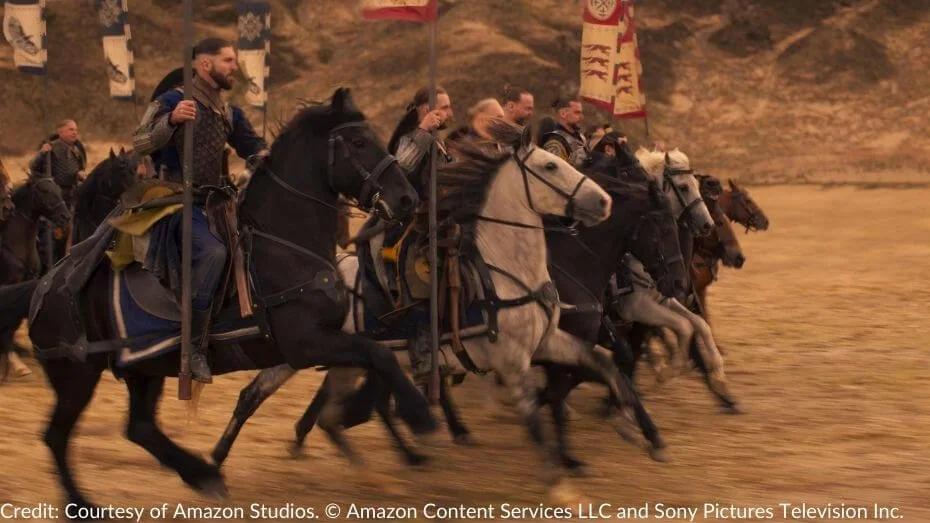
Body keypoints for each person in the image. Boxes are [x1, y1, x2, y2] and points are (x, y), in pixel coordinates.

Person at [132, 37, 268, 383]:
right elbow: (140, 141)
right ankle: (191, 349)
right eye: (227, 61)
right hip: (178, 200)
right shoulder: (172, 100)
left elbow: (250, 145)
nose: (233, 66)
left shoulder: (228, 111)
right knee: (212, 253)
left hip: (218, 201)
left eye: (233, 60)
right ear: (205, 65)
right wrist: (172, 121)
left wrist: (267, 155)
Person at [385, 86, 455, 384]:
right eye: (445, 107)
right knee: (420, 280)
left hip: (438, 223)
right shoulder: (411, 137)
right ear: (427, 111)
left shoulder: (438, 143)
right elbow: (399, 171)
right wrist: (423, 132)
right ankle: (423, 354)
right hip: (408, 225)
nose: (450, 113)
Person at [29, 119, 87, 267]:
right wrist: (42, 153)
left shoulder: (77, 150)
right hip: (54, 198)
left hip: (71, 196)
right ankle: (48, 266)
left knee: (69, 233)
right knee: (52, 235)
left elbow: (76, 169)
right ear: (60, 132)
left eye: (75, 129)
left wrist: (79, 175)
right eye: (70, 129)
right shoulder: (51, 148)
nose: (74, 132)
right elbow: (33, 166)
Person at [539, 97, 589, 168]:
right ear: (563, 114)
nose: (581, 117)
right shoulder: (556, 142)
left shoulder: (581, 137)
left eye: (581, 113)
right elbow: (553, 175)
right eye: (577, 113)